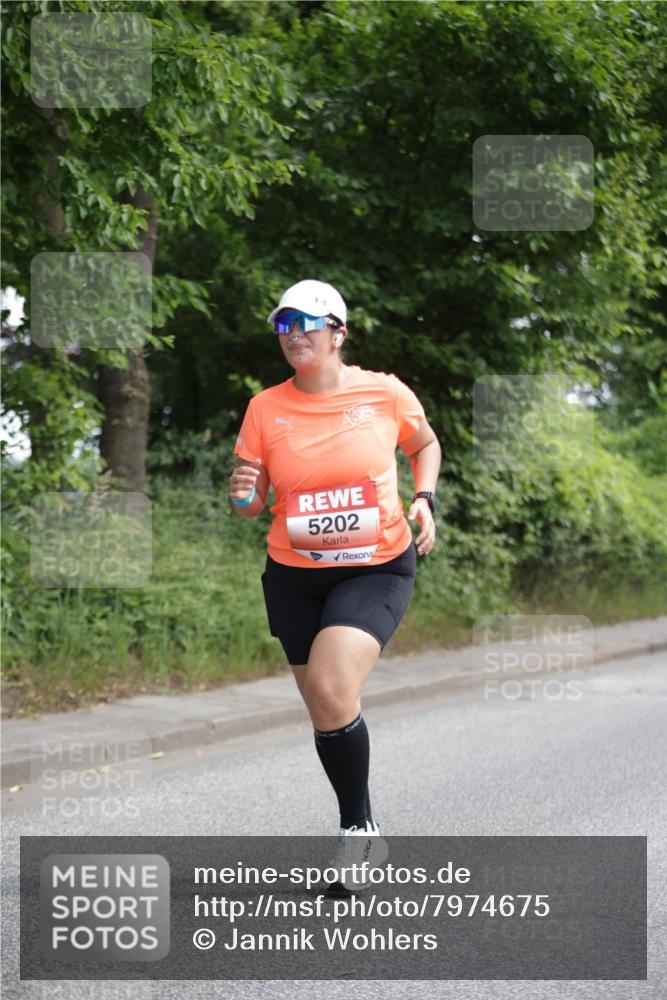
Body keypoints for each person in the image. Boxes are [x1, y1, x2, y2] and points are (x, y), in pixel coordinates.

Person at [228, 279, 441, 892]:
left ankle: (357, 833)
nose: (293, 334)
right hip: (294, 575)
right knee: (326, 708)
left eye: (306, 323)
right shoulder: (264, 407)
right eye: (283, 325)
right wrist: (242, 496)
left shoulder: (383, 392)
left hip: (375, 563)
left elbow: (424, 443)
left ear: (338, 332)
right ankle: (366, 828)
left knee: (327, 686)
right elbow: (253, 500)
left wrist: (423, 498)